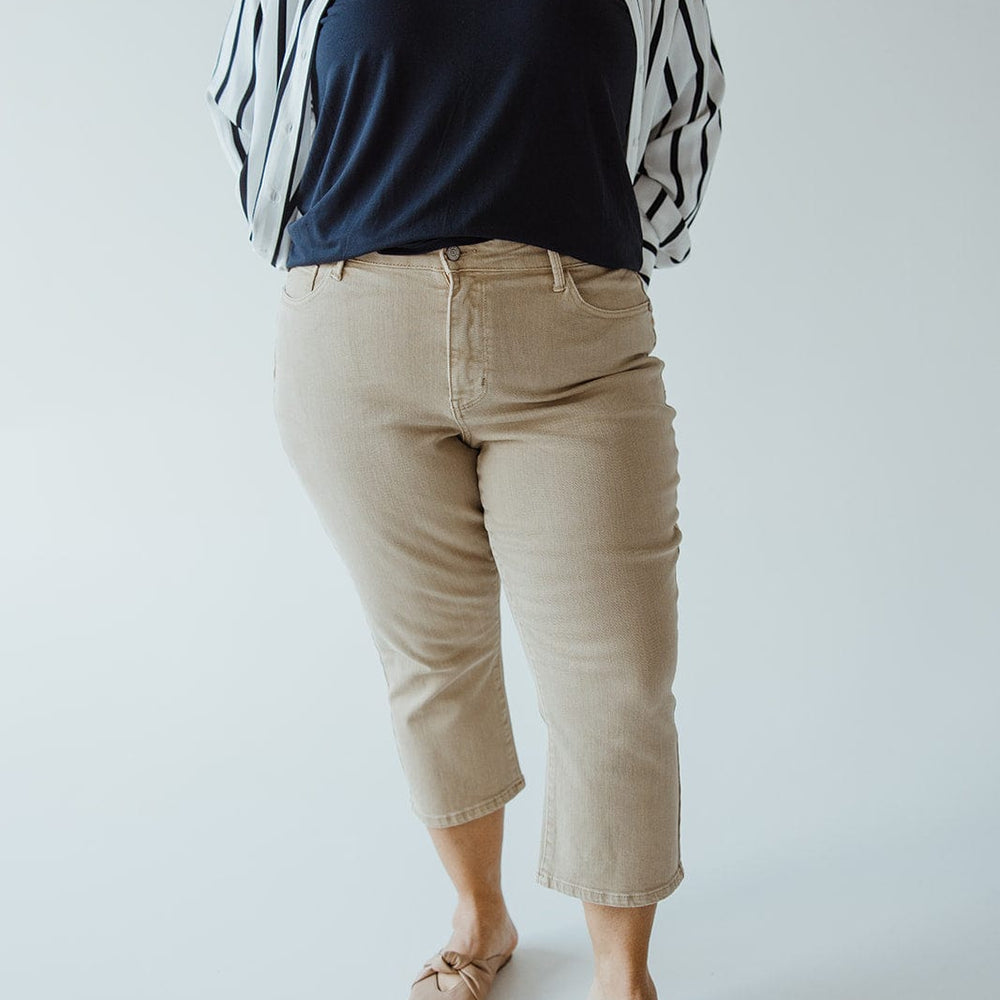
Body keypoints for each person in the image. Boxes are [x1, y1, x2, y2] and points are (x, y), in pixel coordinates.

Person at [205, 1, 726, 998]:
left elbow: (686, 102)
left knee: (613, 674)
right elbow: (248, 101)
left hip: (571, 337)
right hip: (354, 334)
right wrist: (334, 254)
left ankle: (623, 975)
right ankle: (479, 914)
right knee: (430, 654)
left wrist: (602, 251)